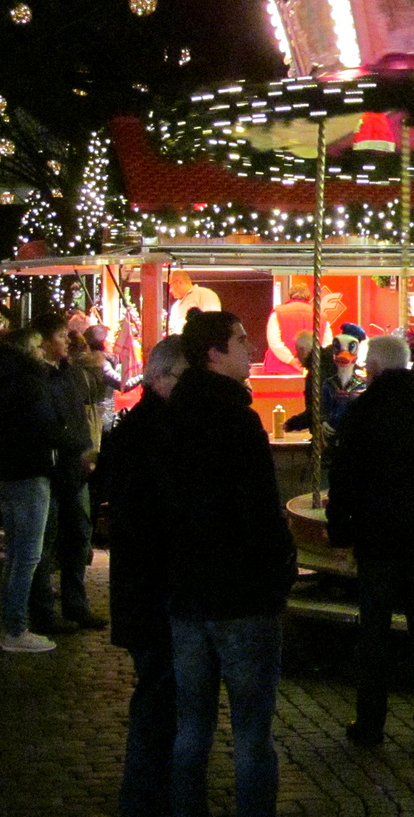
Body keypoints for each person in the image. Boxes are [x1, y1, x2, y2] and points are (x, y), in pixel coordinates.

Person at [161, 312, 296, 817]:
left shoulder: (172, 418)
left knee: (192, 726)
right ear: (214, 353)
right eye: (241, 340)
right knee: (251, 733)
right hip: (242, 597)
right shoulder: (238, 422)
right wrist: (278, 571)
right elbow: (260, 511)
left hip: (189, 595)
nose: (250, 348)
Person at [326, 335, 414, 747]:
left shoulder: (362, 412)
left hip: (376, 538)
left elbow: (344, 478)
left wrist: (341, 531)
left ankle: (370, 722)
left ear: (373, 369)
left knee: (374, 632)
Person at [93, 336, 187, 817]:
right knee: (158, 696)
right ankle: (149, 798)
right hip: (155, 590)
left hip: (142, 588)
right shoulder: (157, 432)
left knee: (157, 692)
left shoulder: (135, 429)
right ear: (163, 377)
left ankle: (151, 793)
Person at [29, 311, 106, 632]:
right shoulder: (33, 377)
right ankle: (43, 611)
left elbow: (80, 416)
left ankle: (76, 604)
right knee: (45, 543)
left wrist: (86, 449)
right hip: (48, 469)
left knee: (78, 537)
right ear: (44, 342)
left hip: (75, 469)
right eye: (60, 337)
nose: (66, 342)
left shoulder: (70, 374)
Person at [0, 329, 65, 652]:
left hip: (9, 472)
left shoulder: (7, 378)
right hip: (30, 470)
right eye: (39, 346)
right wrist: (75, 444)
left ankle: (12, 624)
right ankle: (15, 628)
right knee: (27, 555)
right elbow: (45, 425)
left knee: (15, 553)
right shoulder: (28, 381)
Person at [165, 271, 221, 336]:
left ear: (179, 282)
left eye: (170, 286)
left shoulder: (204, 294)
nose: (170, 291)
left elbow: (212, 322)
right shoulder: (175, 306)